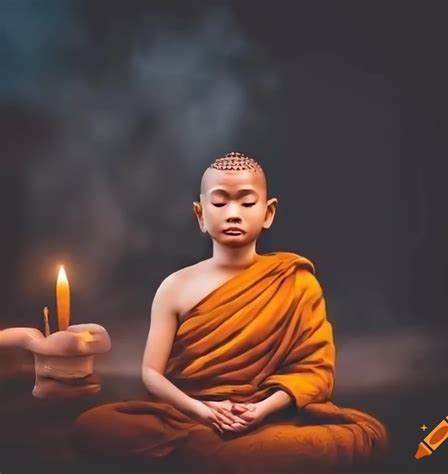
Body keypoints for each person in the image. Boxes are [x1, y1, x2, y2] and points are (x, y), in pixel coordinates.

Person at [74, 152, 389, 473]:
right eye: (220, 203)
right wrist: (203, 412)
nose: (233, 214)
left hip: (262, 418)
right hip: (188, 415)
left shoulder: (297, 282)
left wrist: (261, 410)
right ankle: (219, 452)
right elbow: (151, 375)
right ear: (200, 214)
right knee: (95, 426)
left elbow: (314, 372)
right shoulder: (175, 286)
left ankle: (212, 454)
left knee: (362, 436)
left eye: (247, 203)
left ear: (268, 213)